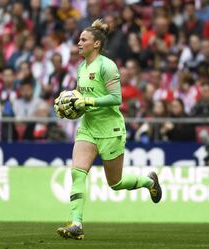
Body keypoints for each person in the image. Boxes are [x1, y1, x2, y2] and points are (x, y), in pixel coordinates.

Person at [53, 19, 162, 240]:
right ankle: (76, 224)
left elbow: (116, 98)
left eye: (84, 39)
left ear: (96, 44)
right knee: (77, 173)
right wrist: (71, 106)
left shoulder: (107, 65)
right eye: (79, 39)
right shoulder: (81, 67)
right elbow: (80, 98)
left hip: (111, 130)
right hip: (88, 128)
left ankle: (149, 182)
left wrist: (89, 102)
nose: (79, 42)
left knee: (116, 183)